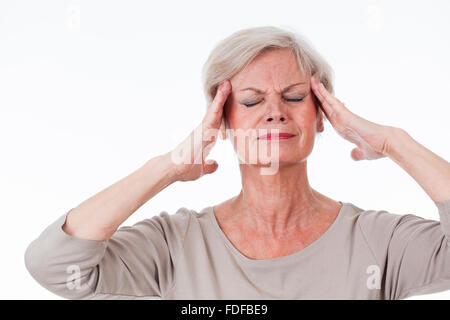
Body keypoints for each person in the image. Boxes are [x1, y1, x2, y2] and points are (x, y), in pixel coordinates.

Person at [24, 26, 450, 300]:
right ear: (221, 121)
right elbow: (55, 267)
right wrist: (168, 167)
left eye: (295, 97)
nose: (274, 111)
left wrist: (396, 142)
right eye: (250, 100)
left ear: (322, 115)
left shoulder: (378, 241)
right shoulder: (178, 244)